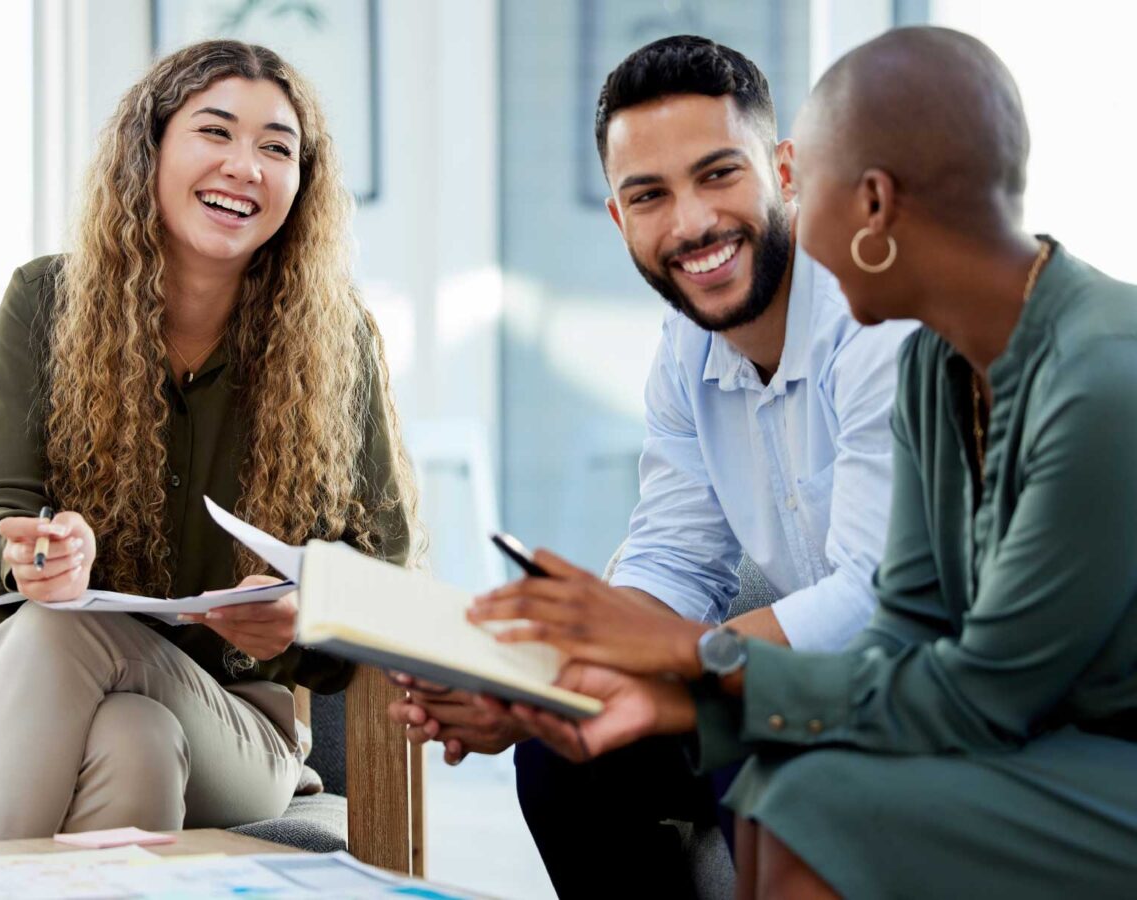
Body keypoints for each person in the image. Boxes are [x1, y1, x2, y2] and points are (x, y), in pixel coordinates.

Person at [481, 25, 1137, 898]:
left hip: (1079, 742)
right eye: (649, 195)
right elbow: (908, 619)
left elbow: (977, 687)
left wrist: (684, 665)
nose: (704, 223)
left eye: (785, 178)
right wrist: (618, 675)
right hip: (987, 711)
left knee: (809, 795)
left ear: (863, 201)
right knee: (743, 779)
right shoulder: (949, 367)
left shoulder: (1089, 377)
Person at [393, 35, 911, 897]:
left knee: (753, 741)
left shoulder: (874, 318)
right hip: (789, 681)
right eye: (650, 195)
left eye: (718, 174)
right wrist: (532, 685)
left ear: (784, 169)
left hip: (914, 690)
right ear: (618, 218)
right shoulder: (685, 349)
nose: (692, 225)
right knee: (566, 752)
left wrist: (656, 656)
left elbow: (872, 599)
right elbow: (675, 557)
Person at [0, 39, 415, 841]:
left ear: (302, 185)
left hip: (233, 721)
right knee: (134, 743)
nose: (246, 166)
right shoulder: (44, 303)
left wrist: (304, 620)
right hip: (12, 690)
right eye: (216, 132)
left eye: (277, 147)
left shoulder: (339, 344)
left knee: (74, 645)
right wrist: (34, 554)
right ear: (151, 148)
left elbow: (385, 582)